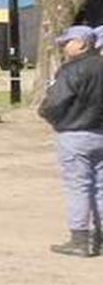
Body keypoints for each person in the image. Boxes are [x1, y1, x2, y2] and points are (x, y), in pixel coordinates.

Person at [38, 24, 103, 257]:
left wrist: (48, 115)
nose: (64, 47)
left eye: (67, 42)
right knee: (100, 187)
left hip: (75, 134)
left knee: (79, 186)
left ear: (82, 44)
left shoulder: (72, 70)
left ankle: (80, 239)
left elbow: (55, 102)